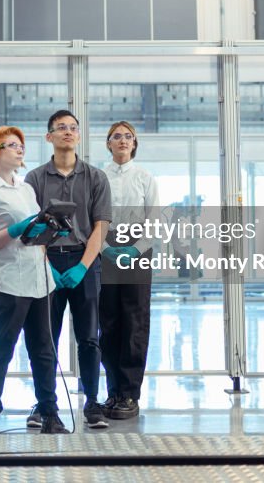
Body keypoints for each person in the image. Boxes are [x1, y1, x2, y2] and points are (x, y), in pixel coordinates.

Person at [0, 125, 69, 435]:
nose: (20, 150)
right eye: (13, 145)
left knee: (43, 350)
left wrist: (53, 230)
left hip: (39, 281)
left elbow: (35, 232)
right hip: (9, 283)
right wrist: (14, 230)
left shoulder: (26, 189)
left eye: (20, 145)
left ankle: (50, 415)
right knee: (1, 349)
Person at [24, 110, 112, 429]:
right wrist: (47, 264)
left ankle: (92, 402)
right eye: (61, 128)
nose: (68, 132)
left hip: (85, 262)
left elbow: (100, 227)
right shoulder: (34, 179)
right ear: (49, 136)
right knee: (45, 337)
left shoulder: (95, 177)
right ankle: (45, 404)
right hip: (45, 262)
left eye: (73, 128)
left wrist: (82, 267)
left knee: (88, 337)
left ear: (78, 135)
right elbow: (33, 228)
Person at [99, 120, 159, 420]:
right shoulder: (98, 177)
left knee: (135, 322)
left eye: (128, 137)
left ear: (134, 144)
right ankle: (112, 392)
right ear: (108, 143)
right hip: (106, 248)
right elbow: (90, 218)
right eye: (116, 136)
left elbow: (154, 221)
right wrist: (105, 249)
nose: (123, 140)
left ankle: (130, 395)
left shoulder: (146, 178)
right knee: (108, 323)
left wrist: (136, 249)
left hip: (138, 249)